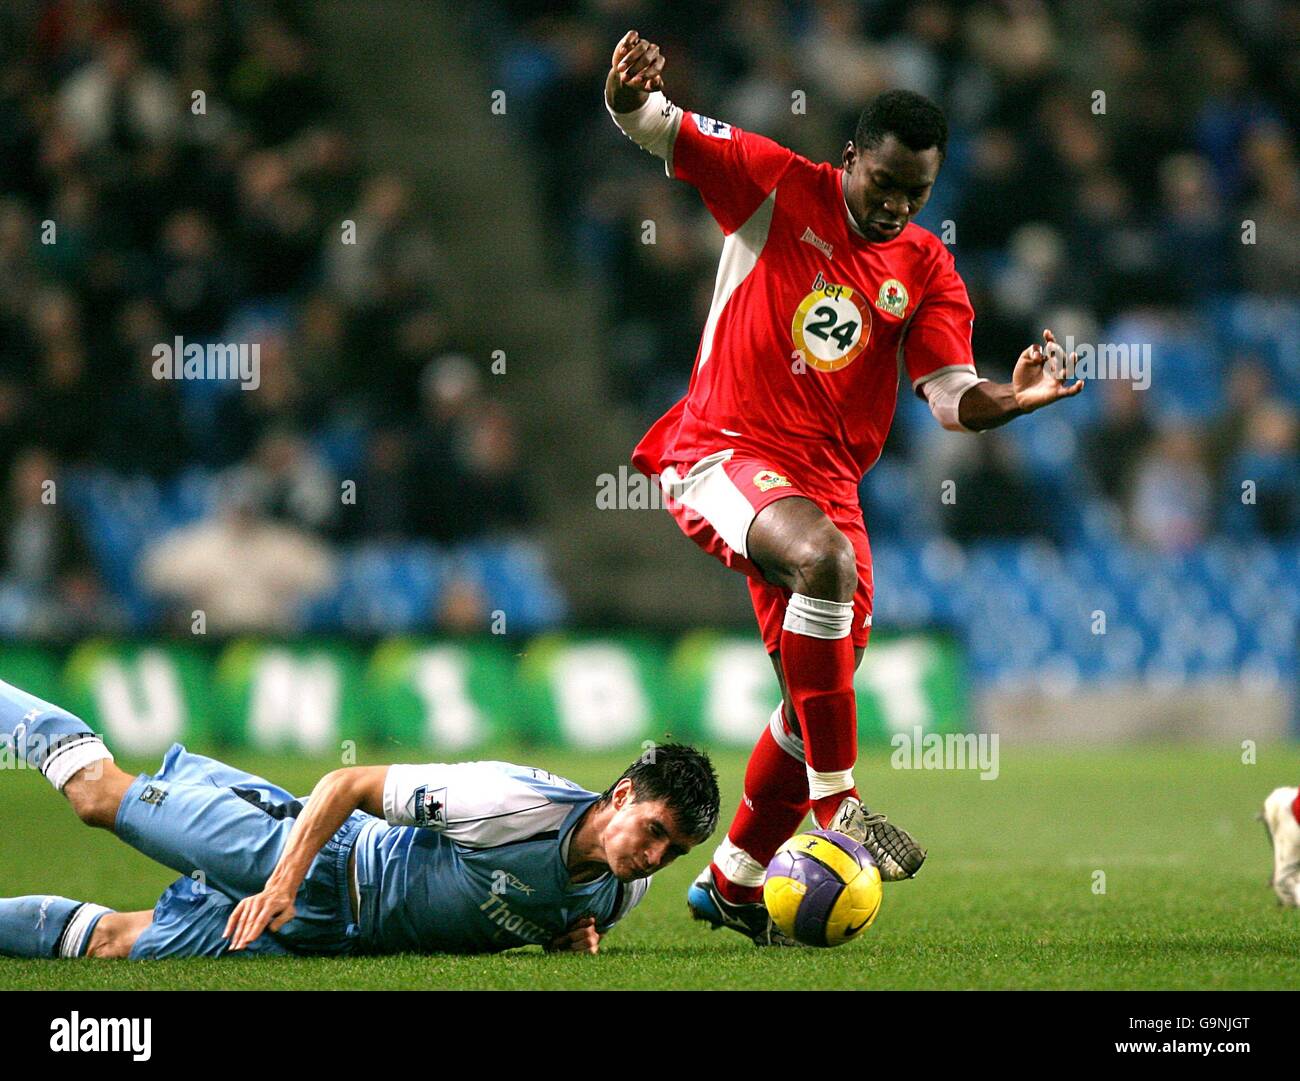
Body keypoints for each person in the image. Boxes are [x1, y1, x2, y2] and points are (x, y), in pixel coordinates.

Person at [605, 29, 1083, 944]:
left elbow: (950, 399)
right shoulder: (777, 183)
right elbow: (654, 125)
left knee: (811, 696)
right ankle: (840, 812)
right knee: (820, 567)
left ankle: (736, 879)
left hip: (829, 484)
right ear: (851, 157)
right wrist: (628, 91)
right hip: (723, 448)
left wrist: (1012, 400)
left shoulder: (927, 269)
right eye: (884, 182)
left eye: (918, 192)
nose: (896, 205)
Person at [0, 678, 719, 959]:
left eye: (674, 851)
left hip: (327, 939)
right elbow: (346, 781)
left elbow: (541, 911)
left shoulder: (622, 890)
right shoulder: (509, 802)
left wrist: (569, 938)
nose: (656, 856)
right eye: (656, 831)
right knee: (97, 796)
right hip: (316, 861)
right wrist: (283, 880)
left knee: (111, 945)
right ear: (622, 795)